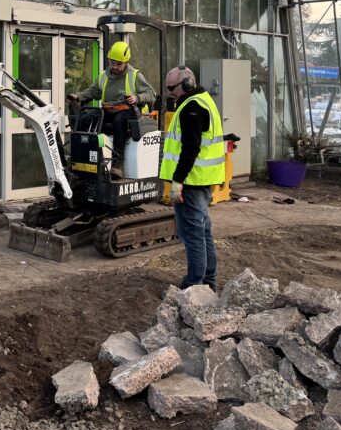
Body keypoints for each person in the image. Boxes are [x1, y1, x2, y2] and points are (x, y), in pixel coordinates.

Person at [160, 65, 225, 290]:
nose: (170, 92)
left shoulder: (192, 107)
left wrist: (177, 180)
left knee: (193, 234)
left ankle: (193, 286)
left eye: (172, 88)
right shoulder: (203, 100)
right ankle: (208, 282)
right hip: (200, 179)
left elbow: (190, 148)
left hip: (191, 181)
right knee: (203, 231)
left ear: (187, 84)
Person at [67, 41, 156, 177]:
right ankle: (82, 159)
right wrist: (78, 96)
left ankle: (117, 163)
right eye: (112, 63)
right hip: (108, 110)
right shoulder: (103, 76)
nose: (114, 67)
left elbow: (151, 94)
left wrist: (136, 98)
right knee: (85, 120)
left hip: (129, 113)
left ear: (126, 62)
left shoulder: (135, 75)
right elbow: (93, 91)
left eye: (118, 64)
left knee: (119, 121)